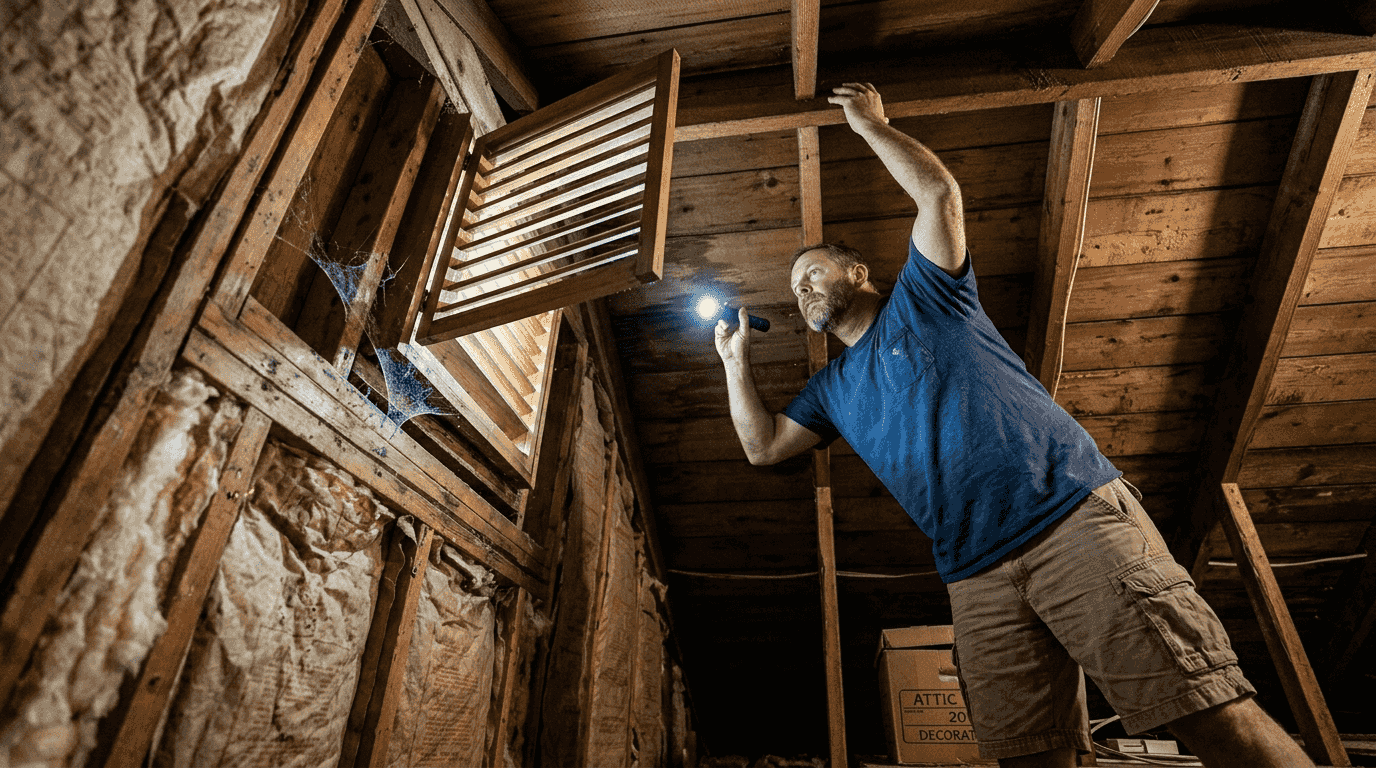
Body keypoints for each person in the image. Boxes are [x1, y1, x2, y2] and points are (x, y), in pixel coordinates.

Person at [711, 82, 1315, 768]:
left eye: (813, 273)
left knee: (1204, 708)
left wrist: (870, 125)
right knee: (1029, 757)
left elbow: (939, 196)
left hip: (1070, 521)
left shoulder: (927, 298)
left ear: (857, 272)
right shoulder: (831, 390)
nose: (802, 290)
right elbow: (763, 447)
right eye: (795, 289)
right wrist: (734, 362)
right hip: (975, 576)